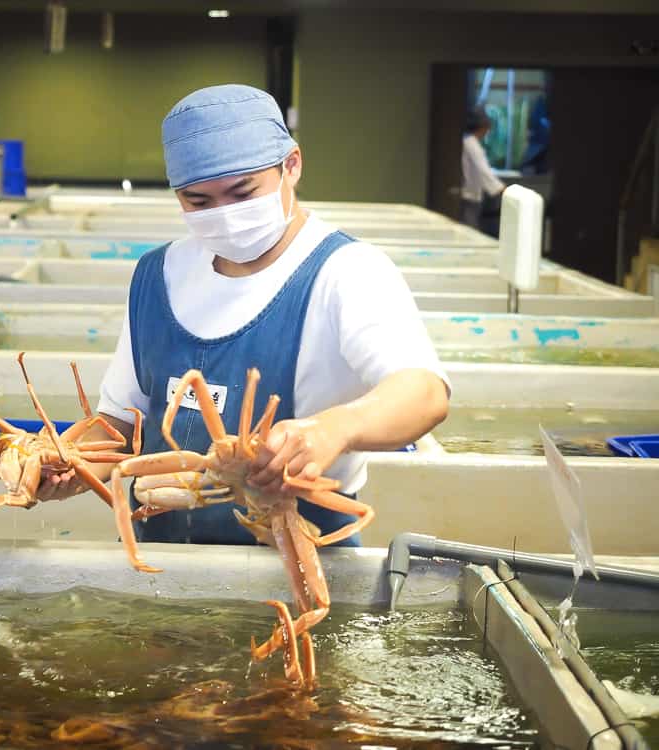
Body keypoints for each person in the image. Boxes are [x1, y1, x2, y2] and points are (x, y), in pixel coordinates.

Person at [40, 83, 450, 547]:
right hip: (156, 566)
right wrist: (69, 464)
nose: (224, 215)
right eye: (199, 202)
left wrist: (335, 428)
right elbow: (121, 422)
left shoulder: (348, 272)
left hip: (293, 556)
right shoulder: (159, 273)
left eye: (242, 192)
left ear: (291, 164)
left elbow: (424, 392)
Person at [460, 107, 505, 231]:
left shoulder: (469, 141)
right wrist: (501, 189)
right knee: (469, 229)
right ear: (484, 126)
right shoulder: (470, 143)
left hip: (472, 194)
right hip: (469, 196)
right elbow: (483, 170)